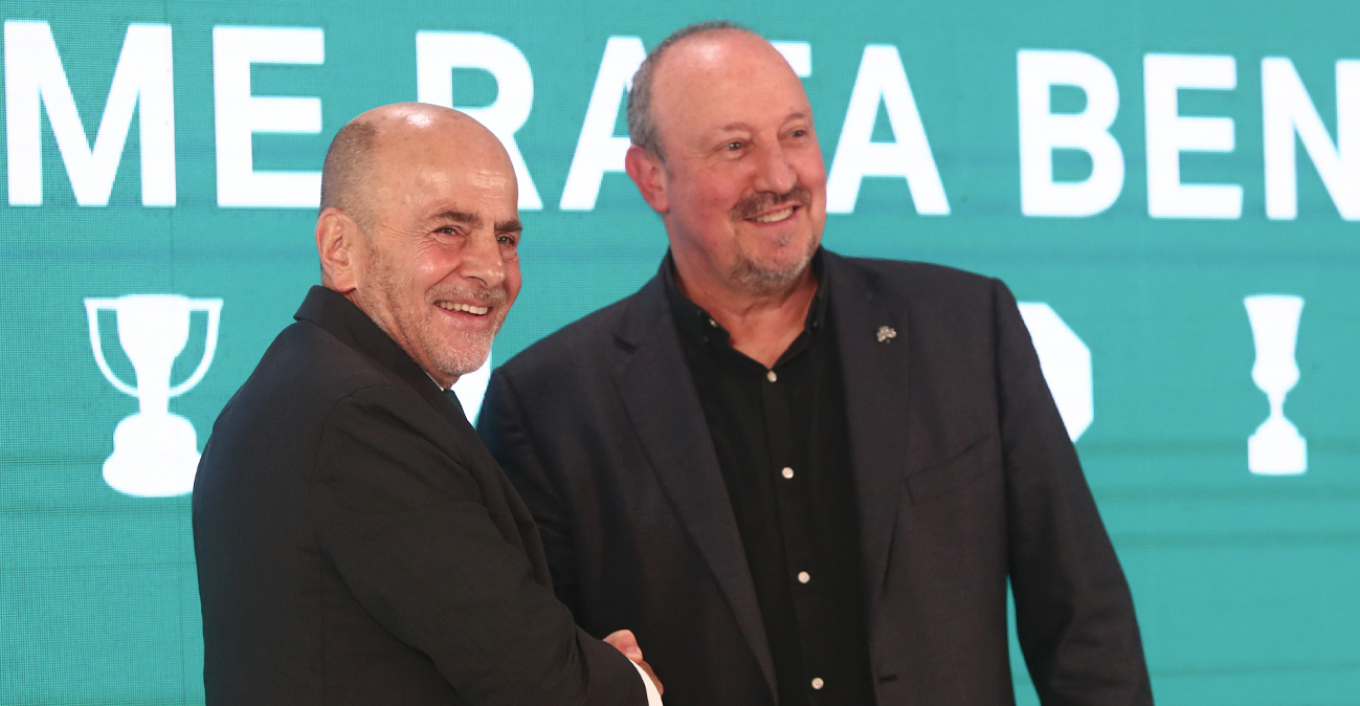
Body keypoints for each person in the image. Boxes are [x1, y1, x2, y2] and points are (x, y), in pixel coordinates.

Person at [477, 23, 1153, 706]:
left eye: (795, 134)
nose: (779, 177)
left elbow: (1084, 623)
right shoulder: (551, 406)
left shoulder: (966, 330)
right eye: (735, 146)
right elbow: (531, 674)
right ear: (653, 178)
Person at [192, 103, 662, 706]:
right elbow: (543, 683)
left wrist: (577, 662)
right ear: (340, 248)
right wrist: (630, 682)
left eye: (506, 238)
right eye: (448, 230)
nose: (491, 270)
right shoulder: (359, 417)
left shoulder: (318, 383)